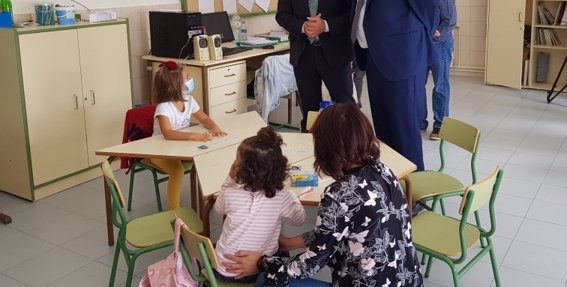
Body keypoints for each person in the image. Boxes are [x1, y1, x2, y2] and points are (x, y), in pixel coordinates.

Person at [224, 103, 422, 287]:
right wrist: (291, 242)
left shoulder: (339, 194)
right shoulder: (383, 171)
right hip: (406, 279)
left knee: (264, 281)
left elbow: (309, 265)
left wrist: (260, 263)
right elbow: (339, 228)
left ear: (325, 148)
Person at [345, 0, 439, 171]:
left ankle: (412, 195)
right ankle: (391, 188)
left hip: (401, 62)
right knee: (384, 132)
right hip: (375, 59)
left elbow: (429, 6)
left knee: (404, 132)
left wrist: (414, 45)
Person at [276, 0, 356, 131]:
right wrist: (303, 26)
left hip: (334, 53)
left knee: (345, 110)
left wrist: (326, 25)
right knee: (310, 113)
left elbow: (353, 15)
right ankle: (313, 153)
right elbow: (282, 14)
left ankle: (351, 152)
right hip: (303, 54)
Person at [213, 127, 306, 283]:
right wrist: (291, 194)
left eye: (237, 160)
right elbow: (300, 219)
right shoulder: (282, 196)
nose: (234, 163)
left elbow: (218, 208)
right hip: (254, 271)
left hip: (221, 269)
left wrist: (230, 180)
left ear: (243, 171)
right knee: (282, 253)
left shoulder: (231, 192)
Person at [150, 60, 226, 209]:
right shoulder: (164, 107)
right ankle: (175, 211)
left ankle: (214, 197)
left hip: (180, 147)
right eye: (188, 77)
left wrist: (214, 127)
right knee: (177, 171)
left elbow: (204, 118)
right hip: (159, 151)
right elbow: (168, 133)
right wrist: (192, 136)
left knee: (209, 157)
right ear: (176, 85)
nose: (191, 80)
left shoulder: (189, 100)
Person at [416, 0, 457, 140]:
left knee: (440, 85)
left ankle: (440, 125)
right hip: (419, 43)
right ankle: (420, 121)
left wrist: (435, 35)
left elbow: (450, 20)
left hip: (439, 44)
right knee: (417, 83)